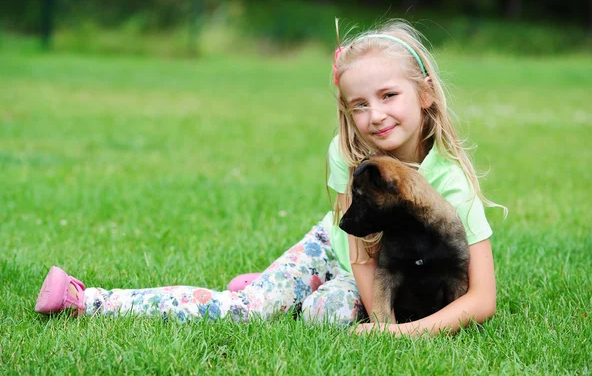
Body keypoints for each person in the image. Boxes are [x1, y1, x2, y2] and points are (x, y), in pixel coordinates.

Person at [35, 19, 502, 336]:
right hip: (335, 249)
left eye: (388, 95)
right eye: (359, 104)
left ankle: (293, 293)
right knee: (249, 312)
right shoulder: (350, 154)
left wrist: (401, 334)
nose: (374, 115)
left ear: (424, 94)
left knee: (332, 315)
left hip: (383, 279)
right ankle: (91, 299)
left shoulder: (451, 186)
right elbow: (359, 254)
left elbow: (482, 300)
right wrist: (386, 326)